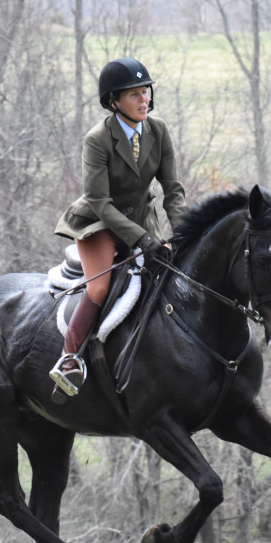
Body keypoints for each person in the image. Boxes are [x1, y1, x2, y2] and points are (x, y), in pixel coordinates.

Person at [50, 57, 187, 400]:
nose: (144, 100)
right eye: (134, 95)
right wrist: (141, 239)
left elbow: (173, 189)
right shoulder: (98, 139)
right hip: (99, 224)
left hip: (143, 221)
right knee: (99, 289)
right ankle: (69, 360)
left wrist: (183, 232)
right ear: (114, 102)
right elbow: (100, 202)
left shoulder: (158, 130)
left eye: (146, 92)